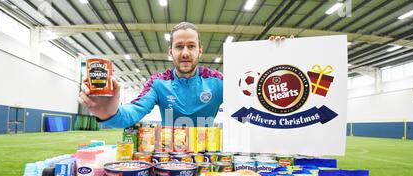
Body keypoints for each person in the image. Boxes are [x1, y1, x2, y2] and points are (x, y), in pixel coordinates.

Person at [78, 21, 292, 128]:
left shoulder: (218, 82)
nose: (186, 52)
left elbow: (259, 97)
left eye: (191, 46)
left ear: (200, 50)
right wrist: (109, 113)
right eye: (179, 46)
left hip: (207, 158)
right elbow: (132, 113)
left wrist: (280, 60)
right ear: (170, 52)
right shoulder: (158, 83)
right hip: (168, 159)